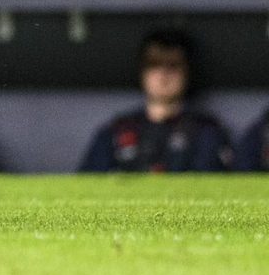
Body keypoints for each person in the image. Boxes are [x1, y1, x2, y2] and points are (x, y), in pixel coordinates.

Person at [80, 29, 233, 171]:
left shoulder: (206, 130)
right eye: (154, 65)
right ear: (142, 72)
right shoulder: (117, 130)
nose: (163, 75)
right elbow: (85, 186)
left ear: (187, 72)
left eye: (173, 65)